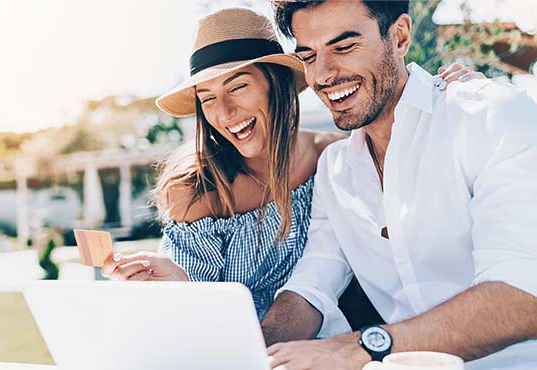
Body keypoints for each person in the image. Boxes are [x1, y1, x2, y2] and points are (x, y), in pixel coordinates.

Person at [100, 7, 481, 321]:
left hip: (326, 347)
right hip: (232, 347)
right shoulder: (196, 185)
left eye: (238, 87)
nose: (225, 112)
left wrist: (452, 88)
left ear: (277, 83)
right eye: (208, 98)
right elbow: (197, 293)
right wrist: (172, 276)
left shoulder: (338, 161)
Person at [259, 1, 537, 370]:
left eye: (344, 47)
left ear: (400, 36)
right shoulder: (335, 170)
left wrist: (360, 347)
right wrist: (253, 349)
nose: (322, 75)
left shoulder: (489, 115)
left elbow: (523, 295)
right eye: (309, 57)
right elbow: (312, 286)